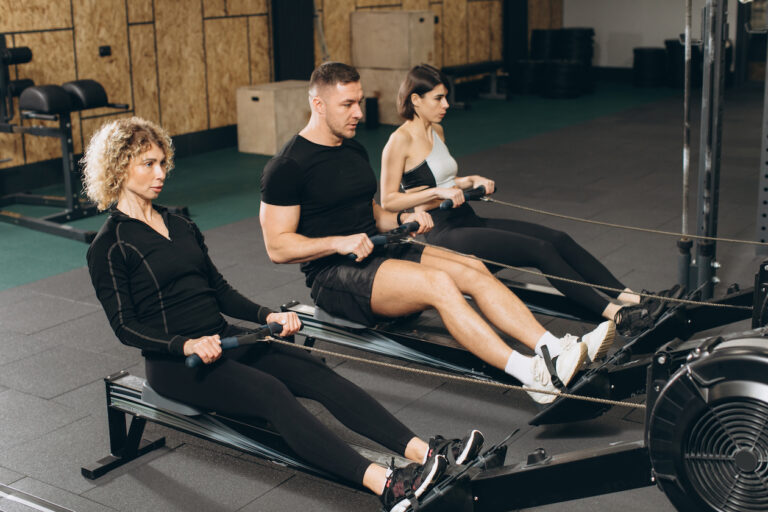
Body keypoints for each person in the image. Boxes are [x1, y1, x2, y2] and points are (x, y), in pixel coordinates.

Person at [84, 117, 486, 512]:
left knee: (315, 372)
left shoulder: (179, 223)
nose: (160, 173)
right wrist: (184, 343)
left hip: (223, 336)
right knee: (271, 394)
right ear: (120, 169)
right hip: (177, 365)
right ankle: (387, 485)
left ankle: (425, 452)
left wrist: (266, 315)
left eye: (161, 163)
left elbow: (218, 290)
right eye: (147, 164)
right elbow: (125, 327)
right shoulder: (110, 246)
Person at [259, 61, 615, 406]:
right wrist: (339, 242)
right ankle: (531, 376)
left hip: (382, 250)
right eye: (348, 104)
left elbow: (373, 213)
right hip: (334, 274)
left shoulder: (351, 148)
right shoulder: (288, 167)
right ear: (317, 104)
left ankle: (551, 347)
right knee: (440, 285)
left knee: (471, 267)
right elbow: (277, 247)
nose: (359, 113)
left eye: (359, 102)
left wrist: (402, 218)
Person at [379, 64, 682, 338]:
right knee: (539, 251)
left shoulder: (437, 130)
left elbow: (445, 180)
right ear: (415, 100)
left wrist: (470, 180)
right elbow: (391, 200)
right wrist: (438, 193)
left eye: (446, 97)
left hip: (466, 217)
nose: (446, 105)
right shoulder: (399, 141)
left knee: (558, 238)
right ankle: (618, 316)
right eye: (438, 98)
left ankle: (634, 299)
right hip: (442, 233)